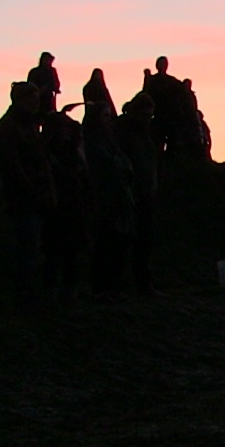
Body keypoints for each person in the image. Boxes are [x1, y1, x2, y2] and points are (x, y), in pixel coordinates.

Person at [0, 82, 55, 296]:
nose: (36, 103)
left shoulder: (27, 126)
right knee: (24, 249)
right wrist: (33, 191)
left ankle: (32, 293)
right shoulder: (9, 128)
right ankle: (24, 295)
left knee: (35, 249)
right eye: (31, 98)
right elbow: (13, 167)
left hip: (36, 196)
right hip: (21, 199)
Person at [83, 94, 136, 298]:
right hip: (103, 199)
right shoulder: (92, 141)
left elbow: (122, 162)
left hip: (119, 198)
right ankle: (103, 286)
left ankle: (115, 284)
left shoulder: (110, 140)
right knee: (106, 242)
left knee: (120, 242)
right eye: (104, 116)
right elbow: (108, 166)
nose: (108, 119)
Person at [42, 105, 88, 300]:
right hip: (55, 204)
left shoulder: (72, 151)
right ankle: (53, 288)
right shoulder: (49, 154)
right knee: (54, 249)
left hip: (72, 203)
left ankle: (67, 287)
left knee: (70, 249)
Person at [117, 82, 158, 292]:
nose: (147, 119)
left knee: (144, 240)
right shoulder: (125, 131)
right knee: (127, 240)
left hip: (146, 192)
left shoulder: (144, 134)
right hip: (131, 194)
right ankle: (125, 282)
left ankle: (142, 281)